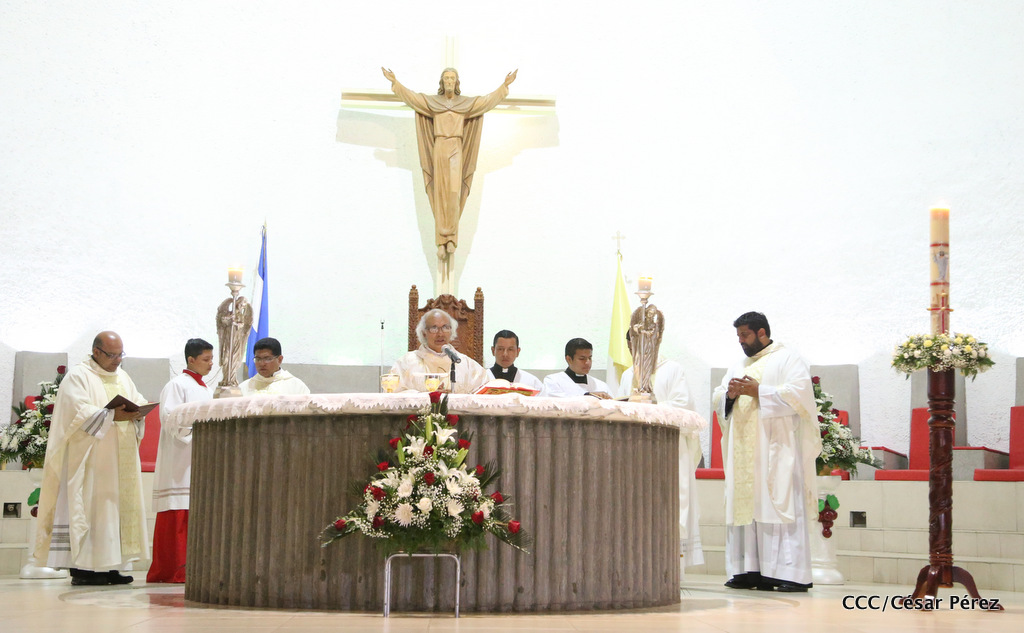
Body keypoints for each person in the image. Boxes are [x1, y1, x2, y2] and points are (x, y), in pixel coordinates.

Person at [712, 312, 821, 592]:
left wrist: (760, 391)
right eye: (738, 336)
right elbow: (719, 396)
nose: (740, 341)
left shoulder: (788, 358)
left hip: (775, 448)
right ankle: (748, 571)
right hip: (743, 452)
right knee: (746, 505)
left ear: (762, 333)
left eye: (745, 335)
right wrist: (729, 395)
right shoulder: (737, 364)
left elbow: (800, 396)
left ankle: (790, 573)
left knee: (778, 502)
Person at [381, 66, 517, 292]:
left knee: (454, 193)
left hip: (456, 146)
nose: (449, 81)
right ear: (442, 82)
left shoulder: (465, 105)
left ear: (457, 82)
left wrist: (504, 87)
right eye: (446, 78)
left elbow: (485, 102)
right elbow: (413, 98)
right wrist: (395, 83)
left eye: (453, 78)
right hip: (439, 147)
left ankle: (451, 238)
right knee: (440, 193)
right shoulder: (433, 103)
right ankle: (441, 241)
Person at [34, 331, 149, 586]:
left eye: (121, 354)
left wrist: (139, 411)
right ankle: (84, 570)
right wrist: (111, 416)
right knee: (90, 510)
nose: (118, 360)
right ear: (96, 352)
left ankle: (112, 567)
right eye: (112, 355)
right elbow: (76, 413)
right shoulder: (78, 376)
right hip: (90, 460)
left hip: (120, 461)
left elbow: (137, 399)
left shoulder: (123, 376)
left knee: (113, 511)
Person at [616, 328, 704, 568]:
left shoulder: (672, 369)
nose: (635, 350)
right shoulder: (627, 375)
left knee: (670, 504)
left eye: (640, 344)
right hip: (634, 451)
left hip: (668, 448)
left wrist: (648, 405)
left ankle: (672, 567)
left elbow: (683, 405)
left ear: (653, 343)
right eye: (631, 345)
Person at [147, 338, 214, 583]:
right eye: (206, 359)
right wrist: (200, 431)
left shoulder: (206, 389)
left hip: (199, 458)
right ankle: (173, 570)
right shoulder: (176, 385)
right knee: (177, 514)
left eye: (212, 359)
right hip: (179, 459)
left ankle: (194, 569)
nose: (211, 364)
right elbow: (170, 418)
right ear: (191, 360)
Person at [390, 309, 488, 394]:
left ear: (452, 331)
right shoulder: (406, 363)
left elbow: (485, 393)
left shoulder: (467, 364)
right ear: (424, 333)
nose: (440, 334)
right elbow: (392, 395)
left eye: (445, 328)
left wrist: (454, 398)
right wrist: (427, 396)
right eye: (434, 328)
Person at [542, 338, 612, 399]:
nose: (588, 362)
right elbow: (557, 404)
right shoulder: (553, 381)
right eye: (582, 359)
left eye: (590, 358)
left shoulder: (601, 385)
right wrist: (588, 397)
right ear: (569, 359)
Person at [239, 337, 310, 395]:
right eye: (258, 359)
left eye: (267, 359)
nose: (262, 364)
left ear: (279, 359)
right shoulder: (244, 387)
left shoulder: (296, 386)